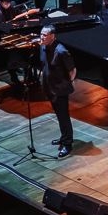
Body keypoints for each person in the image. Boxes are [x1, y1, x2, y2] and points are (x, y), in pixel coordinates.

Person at [40, 26, 75, 158]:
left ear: (53, 36)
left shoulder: (61, 51)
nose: (42, 37)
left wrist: (67, 83)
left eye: (44, 35)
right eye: (41, 34)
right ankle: (63, 137)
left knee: (63, 116)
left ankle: (67, 143)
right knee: (59, 116)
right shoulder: (43, 47)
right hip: (49, 87)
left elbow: (72, 70)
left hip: (60, 89)